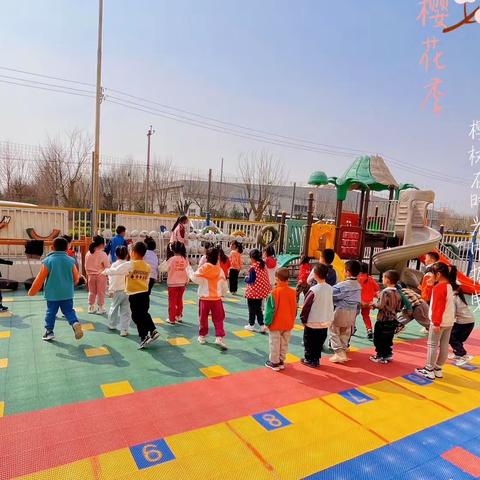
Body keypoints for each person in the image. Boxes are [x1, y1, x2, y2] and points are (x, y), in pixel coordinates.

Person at [103, 241, 160, 349]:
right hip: (144, 293)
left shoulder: (131, 264)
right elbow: (147, 280)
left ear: (133, 252)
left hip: (134, 294)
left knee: (136, 316)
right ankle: (152, 330)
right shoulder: (147, 266)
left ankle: (144, 337)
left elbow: (117, 270)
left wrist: (104, 271)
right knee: (144, 314)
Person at [27, 236, 83, 341]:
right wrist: (75, 282)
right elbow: (76, 277)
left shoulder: (48, 261)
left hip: (52, 294)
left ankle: (49, 332)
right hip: (67, 293)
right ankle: (75, 322)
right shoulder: (70, 260)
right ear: (67, 248)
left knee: (51, 312)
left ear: (52, 247)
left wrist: (32, 291)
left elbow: (40, 278)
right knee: (68, 311)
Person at [416, 262, 456, 380]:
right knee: (444, 345)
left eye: (431, 274)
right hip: (449, 321)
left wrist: (436, 323)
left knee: (432, 345)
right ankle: (437, 368)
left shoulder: (439, 288)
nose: (430, 277)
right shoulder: (449, 285)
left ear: (438, 274)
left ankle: (429, 369)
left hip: (439, 321)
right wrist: (430, 285)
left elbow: (438, 306)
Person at [189, 247, 228, 349]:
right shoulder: (220, 270)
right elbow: (224, 285)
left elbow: (194, 278)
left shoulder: (204, 267)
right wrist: (223, 293)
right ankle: (219, 337)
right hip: (216, 299)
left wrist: (188, 270)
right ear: (217, 258)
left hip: (204, 299)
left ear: (207, 257)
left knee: (203, 318)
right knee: (218, 319)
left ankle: (202, 336)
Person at [300, 264, 334, 368]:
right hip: (325, 321)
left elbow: (306, 306)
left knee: (309, 341)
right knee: (319, 342)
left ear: (314, 275)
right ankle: (316, 359)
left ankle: (309, 359)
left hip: (313, 321)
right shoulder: (330, 288)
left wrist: (303, 318)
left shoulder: (314, 290)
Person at [264, 268, 297, 371]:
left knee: (274, 343)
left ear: (277, 279)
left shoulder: (273, 293)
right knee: (284, 343)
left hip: (276, 324)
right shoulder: (292, 292)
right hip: (288, 323)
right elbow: (295, 308)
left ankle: (274, 362)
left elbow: (269, 311)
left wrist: (267, 323)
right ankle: (281, 360)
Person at [329, 260, 361, 363]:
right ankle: (343, 349)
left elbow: (332, 295)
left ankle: (339, 353)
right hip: (352, 312)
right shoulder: (358, 286)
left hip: (341, 310)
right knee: (345, 332)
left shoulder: (342, 285)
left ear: (347, 272)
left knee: (333, 330)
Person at [369, 270, 402, 364]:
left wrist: (373, 305)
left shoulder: (385, 292)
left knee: (378, 338)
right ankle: (387, 354)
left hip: (383, 320)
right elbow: (399, 307)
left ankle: (380, 355)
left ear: (387, 280)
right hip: (393, 319)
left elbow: (381, 305)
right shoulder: (398, 292)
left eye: (383, 278)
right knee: (388, 339)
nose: (382, 280)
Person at [159, 241, 190, 325]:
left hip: (172, 284)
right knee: (179, 300)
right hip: (182, 283)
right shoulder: (185, 259)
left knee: (172, 301)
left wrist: (166, 260)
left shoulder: (171, 259)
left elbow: (161, 269)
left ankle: (171, 318)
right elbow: (188, 271)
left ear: (172, 249)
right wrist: (187, 280)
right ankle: (178, 316)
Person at [244, 249, 272, 333]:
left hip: (253, 292)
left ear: (252, 258)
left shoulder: (253, 267)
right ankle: (262, 325)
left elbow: (251, 280)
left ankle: (251, 324)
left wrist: (246, 279)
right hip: (261, 292)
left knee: (251, 309)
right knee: (258, 309)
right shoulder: (262, 265)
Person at [106, 246, 131, 336]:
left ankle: (112, 324)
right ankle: (124, 329)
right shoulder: (129, 265)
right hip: (127, 290)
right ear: (127, 254)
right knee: (126, 310)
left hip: (116, 290)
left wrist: (111, 290)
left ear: (116, 255)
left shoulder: (114, 265)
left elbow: (111, 278)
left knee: (114, 307)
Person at [449, 283, 475, 366]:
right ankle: (458, 354)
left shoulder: (453, 297)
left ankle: (463, 355)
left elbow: (452, 313)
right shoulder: (460, 296)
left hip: (464, 322)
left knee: (451, 337)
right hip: (469, 321)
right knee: (458, 339)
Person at [85, 235, 110, 314]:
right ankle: (100, 308)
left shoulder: (88, 253)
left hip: (91, 276)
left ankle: (91, 307)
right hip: (101, 275)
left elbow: (86, 266)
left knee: (92, 292)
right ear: (102, 244)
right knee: (101, 292)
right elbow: (107, 266)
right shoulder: (103, 254)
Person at [358, 263, 380, 340]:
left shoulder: (358, 279)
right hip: (368, 302)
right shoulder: (370, 278)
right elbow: (377, 288)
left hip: (359, 301)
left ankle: (352, 328)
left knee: (353, 316)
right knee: (366, 316)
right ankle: (369, 330)